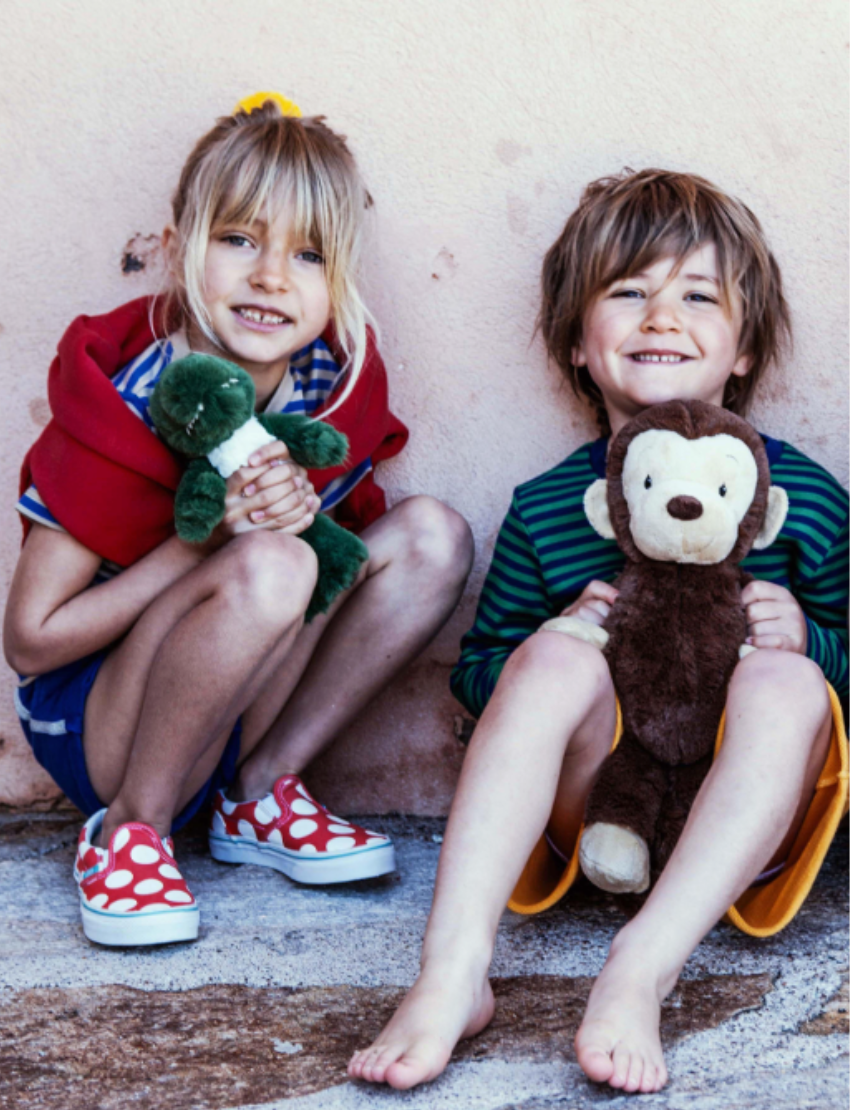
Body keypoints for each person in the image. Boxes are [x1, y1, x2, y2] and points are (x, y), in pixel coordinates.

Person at [348, 169, 848, 1094]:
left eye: (698, 295)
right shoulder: (546, 510)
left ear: (744, 350)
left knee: (783, 682)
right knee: (543, 658)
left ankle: (640, 968)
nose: (662, 317)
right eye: (628, 293)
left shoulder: (806, 500)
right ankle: (452, 972)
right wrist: (567, 635)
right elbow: (477, 672)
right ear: (580, 343)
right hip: (599, 816)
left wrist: (813, 646)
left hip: (750, 826)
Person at [5, 95, 473, 948]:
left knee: (432, 537)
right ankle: (131, 835)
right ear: (178, 247)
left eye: (308, 255)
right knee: (274, 566)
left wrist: (296, 513)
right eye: (238, 240)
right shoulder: (126, 402)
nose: (270, 277)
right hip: (101, 724)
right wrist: (208, 541)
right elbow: (31, 642)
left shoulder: (326, 380)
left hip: (236, 690)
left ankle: (258, 791)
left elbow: (328, 553)